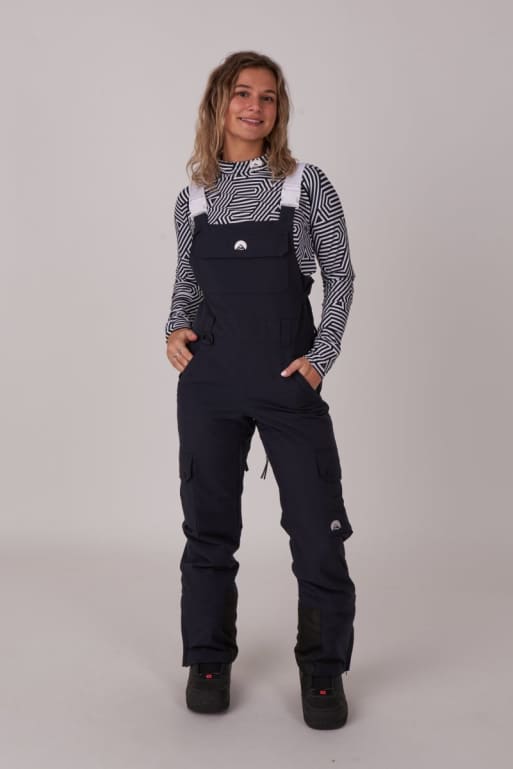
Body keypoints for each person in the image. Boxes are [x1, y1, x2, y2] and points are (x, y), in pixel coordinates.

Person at [164, 51, 357, 730]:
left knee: (317, 531)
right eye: (242, 93)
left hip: (286, 385)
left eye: (268, 97)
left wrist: (320, 357)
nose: (255, 106)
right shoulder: (193, 198)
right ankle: (207, 659)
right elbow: (187, 285)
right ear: (219, 103)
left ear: (279, 110)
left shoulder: (305, 185)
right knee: (208, 531)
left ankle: (323, 669)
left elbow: (340, 276)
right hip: (210, 386)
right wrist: (173, 330)